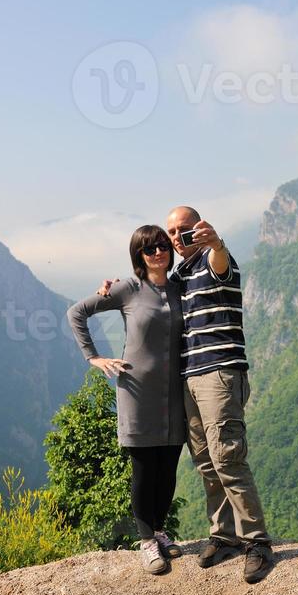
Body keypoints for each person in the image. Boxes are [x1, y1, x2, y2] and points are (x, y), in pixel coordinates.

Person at [99, 207, 274, 584]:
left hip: (219, 376)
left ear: (199, 228)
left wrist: (217, 242)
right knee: (206, 462)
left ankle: (257, 542)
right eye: (171, 233)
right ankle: (223, 534)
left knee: (228, 457)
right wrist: (111, 289)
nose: (177, 238)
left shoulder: (214, 261)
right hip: (188, 379)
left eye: (184, 230)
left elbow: (221, 259)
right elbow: (148, 292)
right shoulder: (178, 275)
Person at [68, 225, 186, 575]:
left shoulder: (180, 287)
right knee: (144, 466)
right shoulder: (129, 288)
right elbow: (76, 313)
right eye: (149, 249)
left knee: (168, 466)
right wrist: (94, 357)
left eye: (163, 246)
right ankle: (147, 540)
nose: (158, 253)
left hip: (176, 391)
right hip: (137, 391)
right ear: (139, 255)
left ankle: (161, 531)